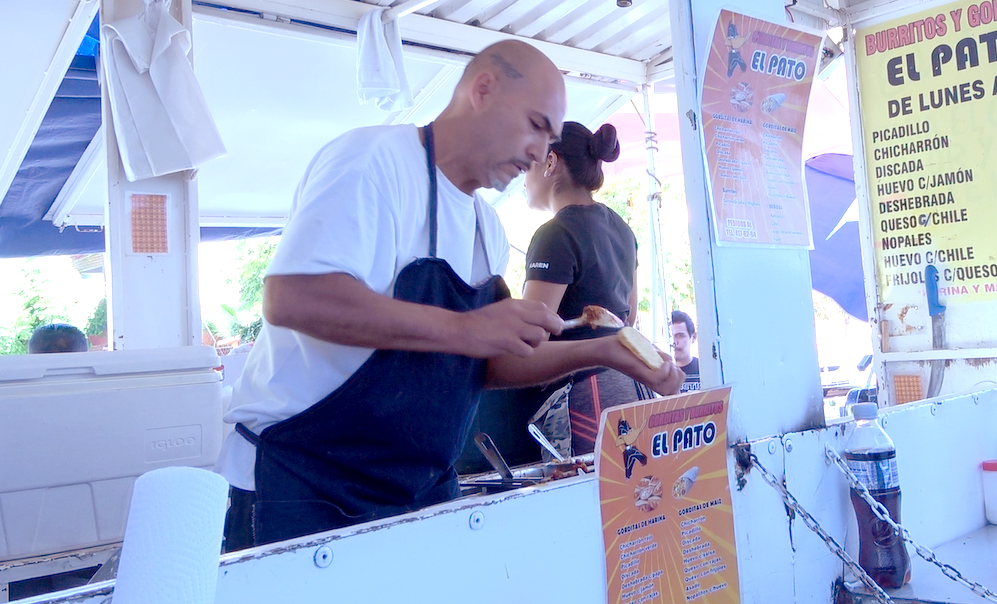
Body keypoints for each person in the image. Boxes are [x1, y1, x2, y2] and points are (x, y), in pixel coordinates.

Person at [217, 40, 683, 550]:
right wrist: (466, 327)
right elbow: (293, 298)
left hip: (418, 494)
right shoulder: (374, 162)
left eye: (550, 138)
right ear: (482, 90)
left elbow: (489, 364)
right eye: (535, 125)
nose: (538, 153)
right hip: (303, 490)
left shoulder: (485, 228)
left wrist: (602, 351)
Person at [521, 121, 643, 457]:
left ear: (550, 162)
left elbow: (531, 336)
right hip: (628, 389)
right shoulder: (622, 228)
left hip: (582, 400)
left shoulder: (554, 234)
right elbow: (629, 317)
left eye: (529, 164)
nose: (523, 177)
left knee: (582, 487)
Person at [670, 310, 701, 393]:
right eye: (670, 336)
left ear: (693, 337)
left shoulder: (704, 370)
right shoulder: (660, 373)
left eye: (680, 335)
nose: (674, 342)